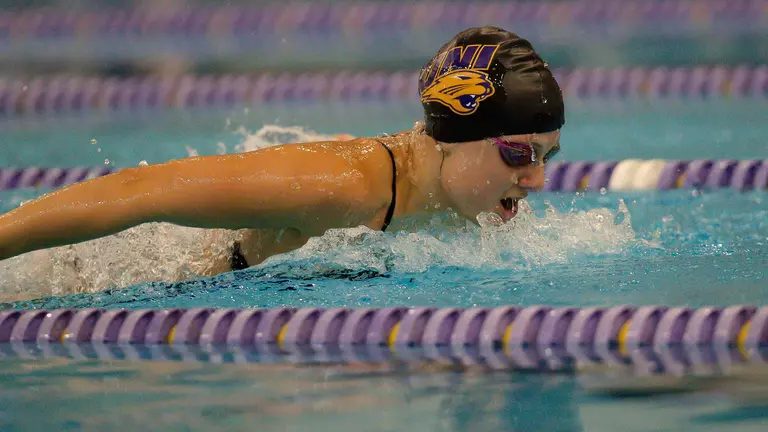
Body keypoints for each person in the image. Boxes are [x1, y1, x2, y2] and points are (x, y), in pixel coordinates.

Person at [0, 26, 564, 280]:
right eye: (518, 154)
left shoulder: (471, 194)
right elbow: (137, 192)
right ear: (449, 137)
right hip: (130, 273)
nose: (536, 180)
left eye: (547, 157)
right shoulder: (337, 187)